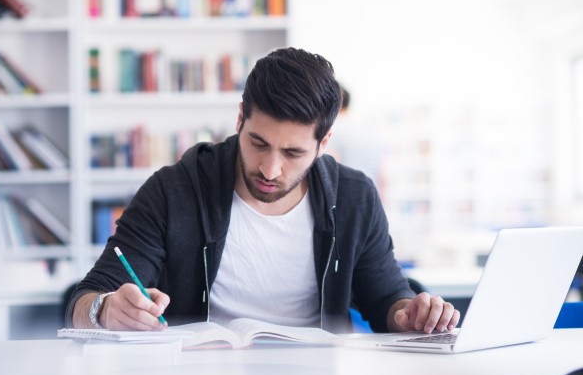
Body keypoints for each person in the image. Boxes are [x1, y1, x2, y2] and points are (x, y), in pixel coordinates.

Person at [66, 47, 459, 334]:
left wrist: (411, 314)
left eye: (293, 152)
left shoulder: (355, 197)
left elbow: (387, 299)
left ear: (324, 145)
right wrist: (105, 309)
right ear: (239, 119)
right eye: (258, 143)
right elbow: (82, 301)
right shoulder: (174, 190)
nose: (270, 169)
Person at [326, 84, 384, 187]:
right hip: (371, 193)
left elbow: (329, 166)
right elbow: (381, 171)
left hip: (347, 193)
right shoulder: (369, 131)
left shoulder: (332, 129)